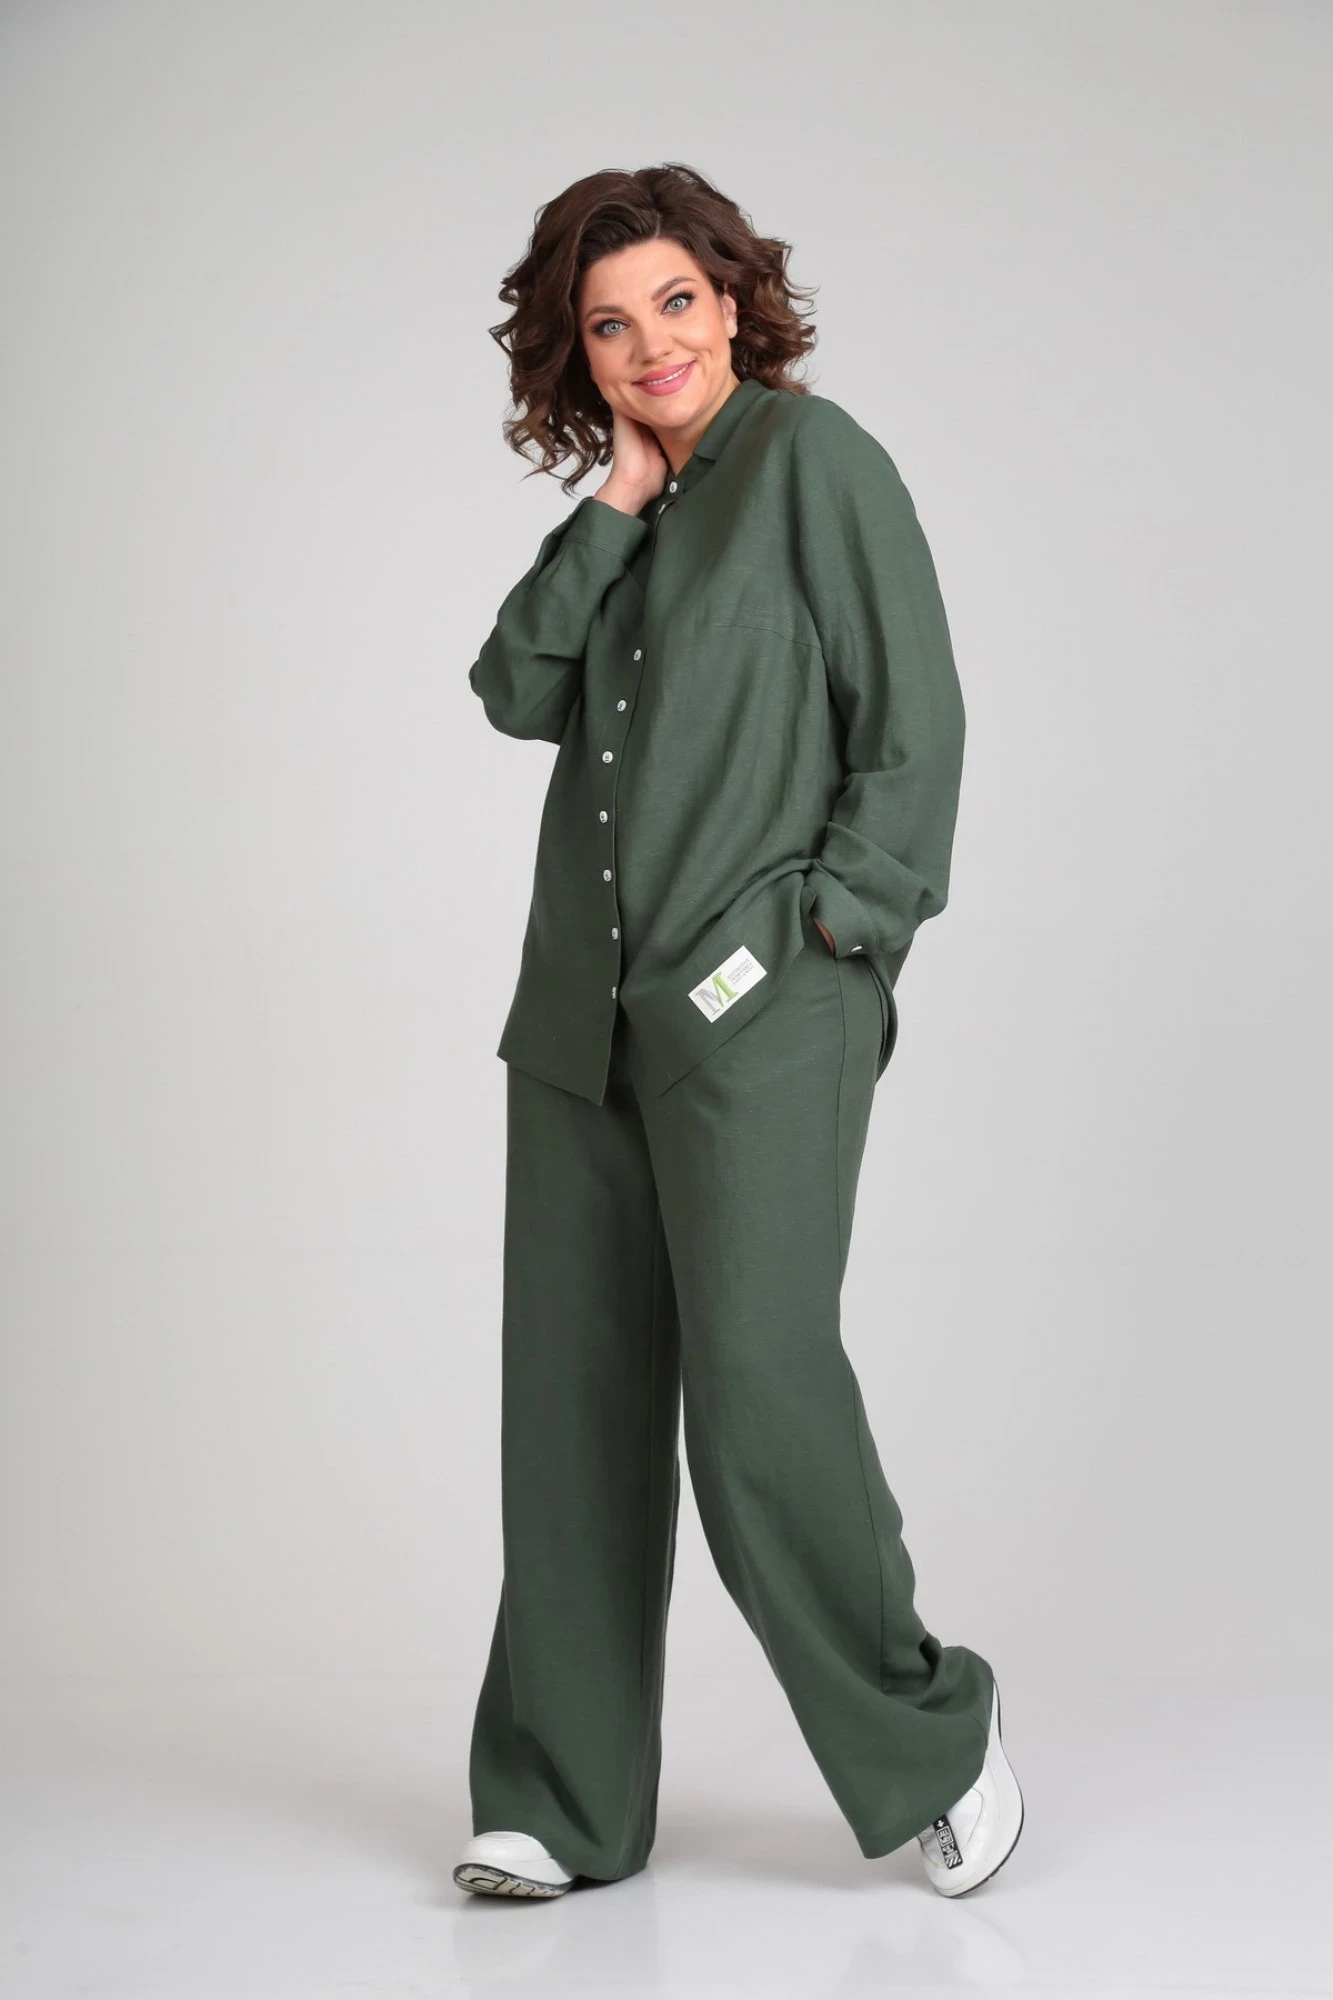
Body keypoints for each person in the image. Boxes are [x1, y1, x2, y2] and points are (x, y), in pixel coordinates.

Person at [453, 162, 1023, 1902]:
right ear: (579, 355)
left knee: (760, 1399)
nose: (652, 346)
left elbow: (914, 731)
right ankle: (562, 1799)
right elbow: (512, 687)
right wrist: (617, 501)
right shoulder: (636, 509)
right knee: (572, 1408)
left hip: (760, 1007)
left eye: (676, 304)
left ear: (731, 297)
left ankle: (934, 1740)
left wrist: (831, 930)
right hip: (581, 1021)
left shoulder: (816, 462)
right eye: (608, 326)